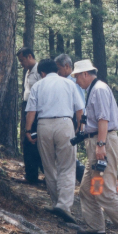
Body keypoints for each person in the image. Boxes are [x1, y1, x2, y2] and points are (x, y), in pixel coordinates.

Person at [72, 60, 118, 234]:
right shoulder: (93, 90)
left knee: (105, 190)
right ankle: (96, 230)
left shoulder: (99, 89)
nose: (77, 81)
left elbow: (104, 119)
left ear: (85, 74)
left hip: (103, 142)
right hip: (96, 142)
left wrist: (101, 145)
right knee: (87, 189)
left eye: (77, 76)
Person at [25, 59, 85, 224]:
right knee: (67, 165)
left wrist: (28, 130)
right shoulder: (68, 84)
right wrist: (80, 127)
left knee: (48, 165)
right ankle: (64, 206)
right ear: (56, 70)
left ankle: (55, 202)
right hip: (65, 124)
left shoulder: (38, 86)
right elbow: (79, 109)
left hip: (44, 124)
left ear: (42, 73)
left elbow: (31, 111)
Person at [55, 53, 86, 182]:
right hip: (70, 118)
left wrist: (80, 125)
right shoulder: (67, 81)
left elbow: (80, 105)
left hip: (74, 118)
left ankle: (84, 177)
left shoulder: (72, 82)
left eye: (58, 69)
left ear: (67, 66)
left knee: (69, 151)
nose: (57, 72)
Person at [17, 46, 42, 183]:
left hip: (35, 111)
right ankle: (31, 175)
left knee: (31, 141)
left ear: (30, 57)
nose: (21, 63)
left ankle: (32, 176)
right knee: (27, 141)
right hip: (27, 108)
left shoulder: (39, 71)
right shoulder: (28, 71)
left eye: (22, 60)